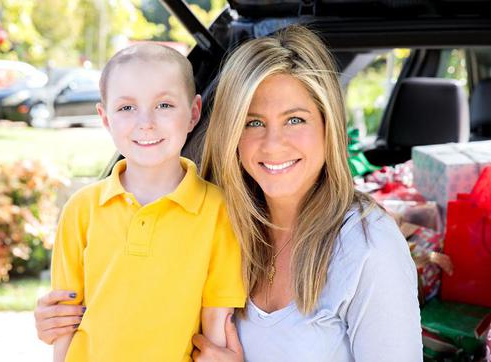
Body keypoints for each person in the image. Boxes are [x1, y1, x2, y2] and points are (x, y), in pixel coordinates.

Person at [35, 26, 422, 361]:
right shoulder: (222, 215)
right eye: (253, 121)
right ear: (231, 131)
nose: (273, 144)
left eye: (295, 119)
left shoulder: (369, 250)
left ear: (329, 124)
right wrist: (64, 319)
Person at [49, 43, 246, 362]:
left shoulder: (218, 211)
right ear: (105, 117)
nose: (146, 122)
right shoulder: (81, 209)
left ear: (194, 113)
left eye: (164, 105)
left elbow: (216, 327)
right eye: (126, 108)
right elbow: (64, 323)